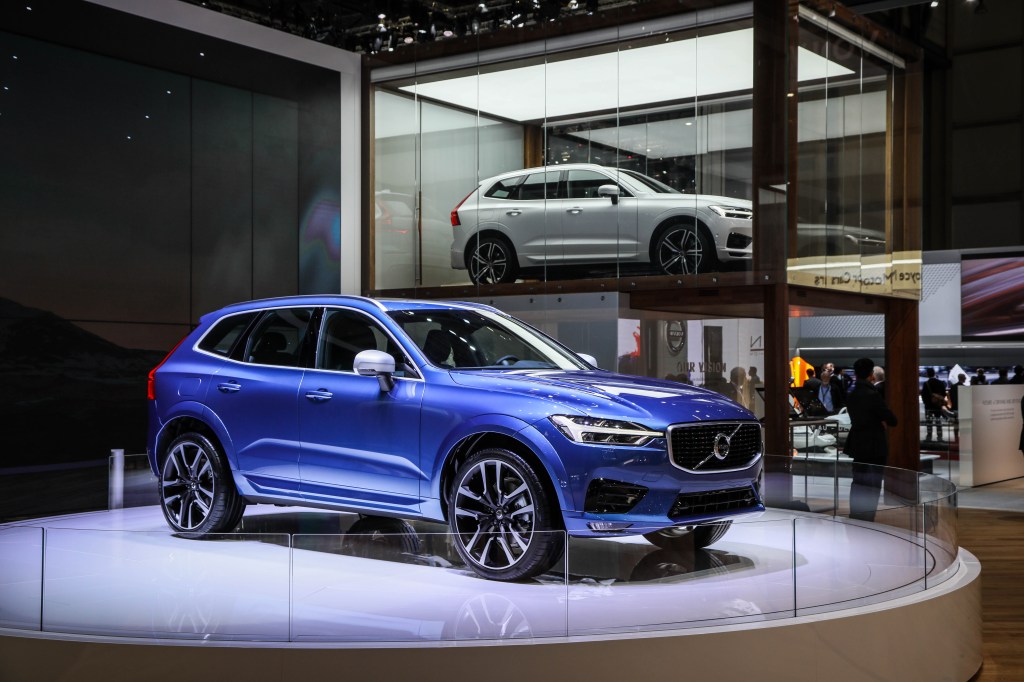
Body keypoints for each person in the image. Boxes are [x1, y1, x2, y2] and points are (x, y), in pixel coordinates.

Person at [845, 357, 898, 522]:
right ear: (871, 375)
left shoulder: (852, 394)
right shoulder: (872, 395)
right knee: (873, 484)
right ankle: (868, 517)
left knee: (858, 482)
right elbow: (892, 420)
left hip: (857, 443)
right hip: (874, 445)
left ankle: (856, 514)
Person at [920, 367, 947, 442]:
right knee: (938, 421)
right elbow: (944, 394)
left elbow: (924, 395)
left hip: (929, 406)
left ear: (927, 374)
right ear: (934, 373)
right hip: (938, 406)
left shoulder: (926, 384)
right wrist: (939, 401)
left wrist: (927, 403)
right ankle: (940, 437)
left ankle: (929, 437)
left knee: (929, 422)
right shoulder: (940, 382)